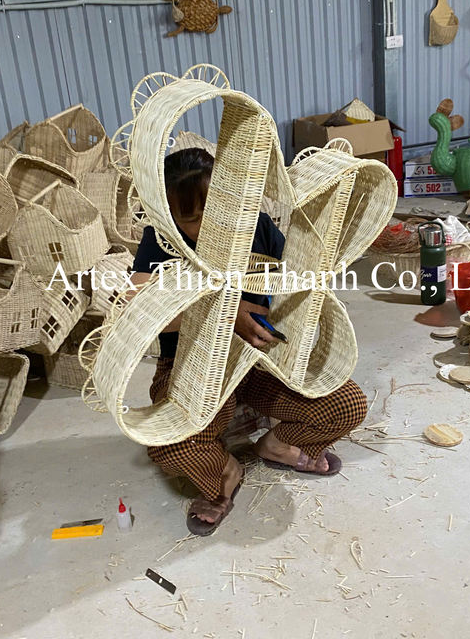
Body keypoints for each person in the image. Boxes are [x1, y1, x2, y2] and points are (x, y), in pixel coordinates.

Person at [129, 148, 368, 536]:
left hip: (260, 362)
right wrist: (226, 311)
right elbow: (140, 308)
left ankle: (274, 445)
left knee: (345, 406)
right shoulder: (161, 241)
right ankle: (226, 471)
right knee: (170, 446)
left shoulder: (255, 225)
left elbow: (294, 277)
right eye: (192, 219)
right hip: (190, 368)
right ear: (169, 216)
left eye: (216, 211)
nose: (209, 226)